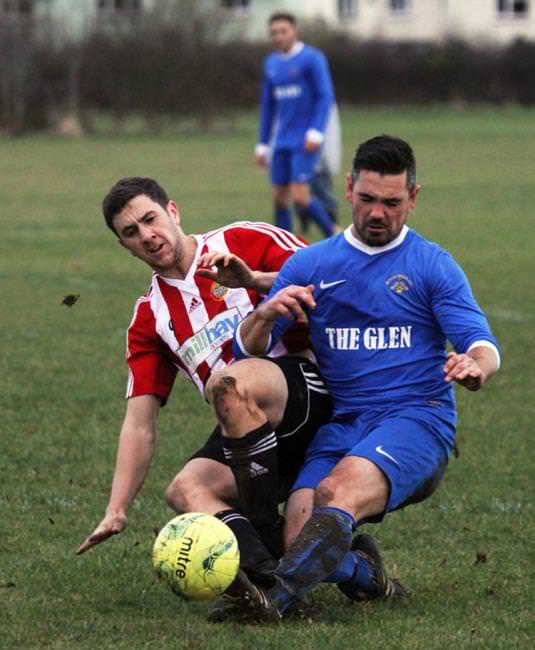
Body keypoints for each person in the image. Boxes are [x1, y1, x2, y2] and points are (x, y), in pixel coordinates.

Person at [232, 135, 501, 622]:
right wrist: (266, 312)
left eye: (393, 203)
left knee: (337, 495)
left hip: (418, 420)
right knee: (299, 536)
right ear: (350, 188)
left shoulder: (432, 265)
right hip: (346, 423)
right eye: (369, 199)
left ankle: (276, 599)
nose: (378, 213)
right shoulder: (312, 264)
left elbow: (483, 344)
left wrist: (475, 366)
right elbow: (246, 349)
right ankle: (365, 574)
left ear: (413, 199)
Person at [76, 177, 333, 607]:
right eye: (131, 232)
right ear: (124, 246)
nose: (147, 235)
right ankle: (269, 576)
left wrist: (253, 280)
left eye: (150, 219)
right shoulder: (149, 319)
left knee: (227, 383)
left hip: (308, 396)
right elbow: (140, 423)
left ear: (172, 211)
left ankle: (265, 534)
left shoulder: (243, 240)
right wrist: (116, 510)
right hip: (250, 438)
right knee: (186, 489)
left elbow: (336, 276)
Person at [255, 12, 336, 238]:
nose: (278, 37)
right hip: (281, 139)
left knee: (300, 195)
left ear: (294, 31)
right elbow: (268, 106)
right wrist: (262, 144)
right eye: (274, 33)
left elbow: (325, 96)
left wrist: (316, 131)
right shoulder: (271, 63)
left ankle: (334, 234)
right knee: (279, 197)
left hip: (304, 139)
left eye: (283, 31)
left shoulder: (312, 58)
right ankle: (284, 246)